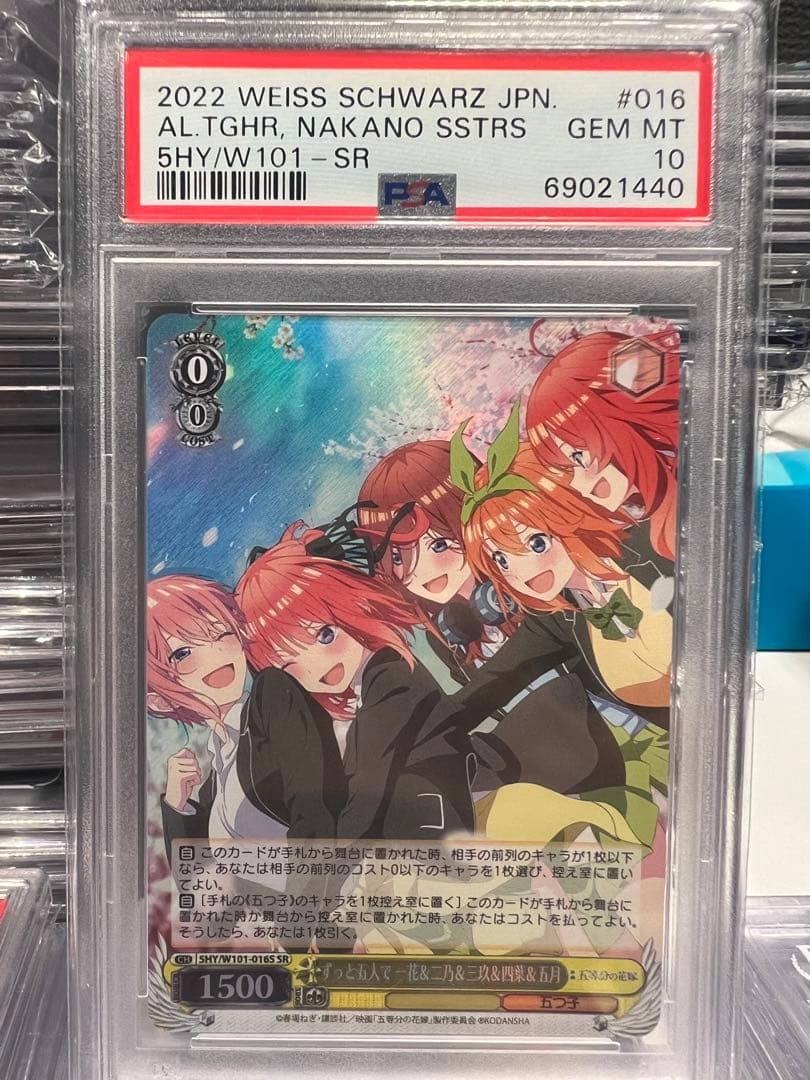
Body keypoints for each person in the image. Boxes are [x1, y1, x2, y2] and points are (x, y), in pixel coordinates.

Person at [451, 406, 673, 728]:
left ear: (568, 513)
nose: (524, 572)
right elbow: (487, 688)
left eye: (536, 543)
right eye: (501, 560)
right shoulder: (556, 622)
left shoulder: (654, 544)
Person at [147, 573, 342, 859]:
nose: (215, 652)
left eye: (222, 633)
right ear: (159, 699)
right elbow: (196, 878)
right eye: (182, 653)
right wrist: (178, 806)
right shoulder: (214, 783)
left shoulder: (274, 699)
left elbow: (317, 813)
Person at [525, 327, 680, 563]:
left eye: (578, 457)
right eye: (567, 469)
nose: (578, 485)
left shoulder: (684, 505)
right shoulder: (664, 524)